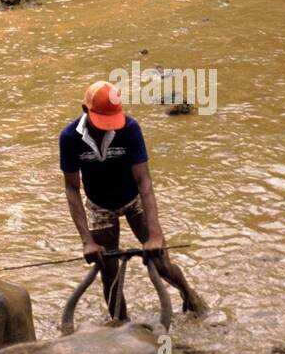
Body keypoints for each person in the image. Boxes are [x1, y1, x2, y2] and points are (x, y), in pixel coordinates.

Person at [60, 80, 206, 319]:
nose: (107, 128)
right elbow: (72, 189)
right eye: (102, 123)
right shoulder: (69, 137)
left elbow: (144, 182)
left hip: (133, 199)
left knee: (162, 263)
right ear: (86, 110)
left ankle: (190, 296)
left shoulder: (129, 128)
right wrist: (86, 240)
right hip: (99, 207)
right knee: (109, 275)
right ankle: (121, 323)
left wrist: (155, 234)